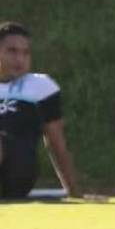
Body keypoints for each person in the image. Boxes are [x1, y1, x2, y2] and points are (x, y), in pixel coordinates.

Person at [0, 21, 80, 200]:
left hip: (18, 171)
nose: (20, 59)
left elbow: (56, 143)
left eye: (25, 53)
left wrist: (74, 192)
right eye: (12, 51)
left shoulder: (40, 86)